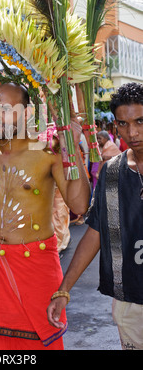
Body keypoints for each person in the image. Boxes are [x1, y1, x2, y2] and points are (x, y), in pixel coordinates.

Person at [0, 82, 91, 350]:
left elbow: (80, 205)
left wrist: (71, 149)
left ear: (28, 113)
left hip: (35, 267)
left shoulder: (46, 152)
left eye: (6, 109)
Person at [47, 82, 143, 351]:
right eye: (123, 124)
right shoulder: (112, 172)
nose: (132, 132)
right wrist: (64, 290)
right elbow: (96, 231)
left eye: (140, 121)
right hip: (132, 301)